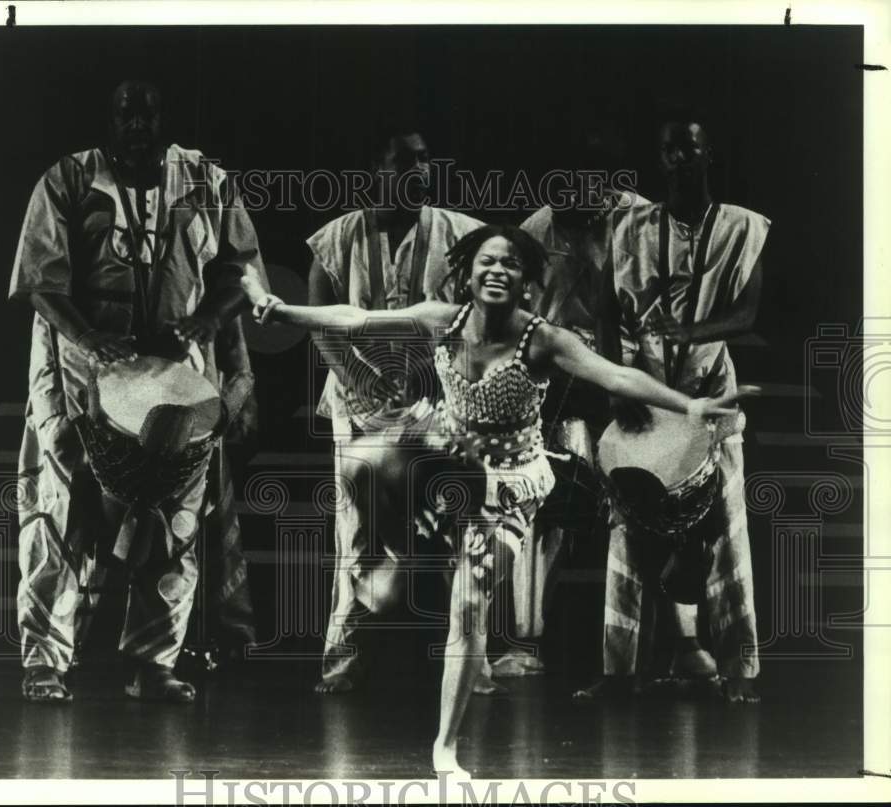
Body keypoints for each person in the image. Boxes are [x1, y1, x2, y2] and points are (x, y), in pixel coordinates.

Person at [242, 223, 754, 776]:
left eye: (511, 264)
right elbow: (356, 319)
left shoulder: (543, 340)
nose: (497, 271)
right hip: (451, 459)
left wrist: (689, 406)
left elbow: (617, 374)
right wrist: (285, 311)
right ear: (466, 273)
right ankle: (398, 556)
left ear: (527, 283)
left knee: (467, 611)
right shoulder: (444, 319)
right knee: (372, 458)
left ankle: (445, 748)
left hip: (508, 489)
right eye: (487, 261)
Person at [9, 80, 266, 703]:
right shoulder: (68, 180)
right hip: (77, 369)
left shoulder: (206, 179)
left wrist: (207, 319)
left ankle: (154, 663)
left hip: (176, 373)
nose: (138, 124)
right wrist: (90, 337)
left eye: (149, 112)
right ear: (109, 118)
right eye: (125, 112)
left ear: (165, 118)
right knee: (62, 510)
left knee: (174, 517)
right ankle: (45, 661)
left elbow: (243, 273)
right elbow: (40, 282)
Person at [578, 114, 768, 704]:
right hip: (643, 386)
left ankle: (739, 673)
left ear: (707, 153)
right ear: (659, 161)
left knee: (729, 535)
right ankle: (617, 674)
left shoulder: (742, 226)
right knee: (627, 534)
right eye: (669, 151)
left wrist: (686, 328)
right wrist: (617, 392)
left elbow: (746, 314)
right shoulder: (630, 222)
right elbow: (608, 312)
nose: (679, 159)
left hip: (710, 391)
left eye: (689, 148)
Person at [306, 125, 486, 694]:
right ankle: (346, 648)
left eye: (425, 160)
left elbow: (475, 314)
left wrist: (430, 372)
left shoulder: (461, 233)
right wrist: (355, 372)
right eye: (404, 161)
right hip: (359, 400)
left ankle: (471, 658)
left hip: (437, 399)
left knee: (458, 521)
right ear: (374, 170)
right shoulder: (335, 238)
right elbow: (317, 318)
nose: (418, 171)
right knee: (355, 529)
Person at [502, 131, 647, 679]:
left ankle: (652, 647)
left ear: (606, 189)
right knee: (545, 505)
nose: (568, 203)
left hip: (634, 375)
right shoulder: (538, 230)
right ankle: (526, 638)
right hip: (568, 384)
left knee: (640, 507)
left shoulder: (640, 222)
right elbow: (532, 322)